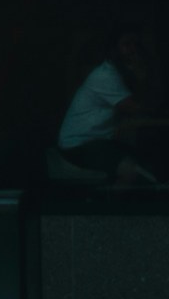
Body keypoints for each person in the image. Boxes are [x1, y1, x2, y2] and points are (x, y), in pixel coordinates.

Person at [54, 24, 150, 182]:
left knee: (143, 162)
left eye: (135, 44)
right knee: (132, 170)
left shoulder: (121, 75)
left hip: (99, 141)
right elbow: (135, 107)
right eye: (127, 44)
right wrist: (142, 77)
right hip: (79, 145)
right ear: (114, 49)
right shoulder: (106, 76)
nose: (133, 50)